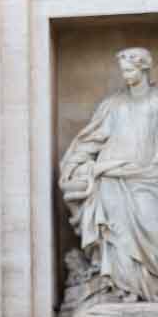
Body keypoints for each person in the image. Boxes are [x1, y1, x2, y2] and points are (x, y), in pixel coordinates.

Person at [59, 46, 158, 303]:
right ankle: (124, 289)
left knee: (151, 225)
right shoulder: (113, 104)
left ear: (144, 68)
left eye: (130, 70)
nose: (125, 76)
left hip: (148, 176)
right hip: (112, 178)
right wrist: (77, 165)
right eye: (123, 71)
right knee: (116, 234)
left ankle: (150, 287)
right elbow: (91, 140)